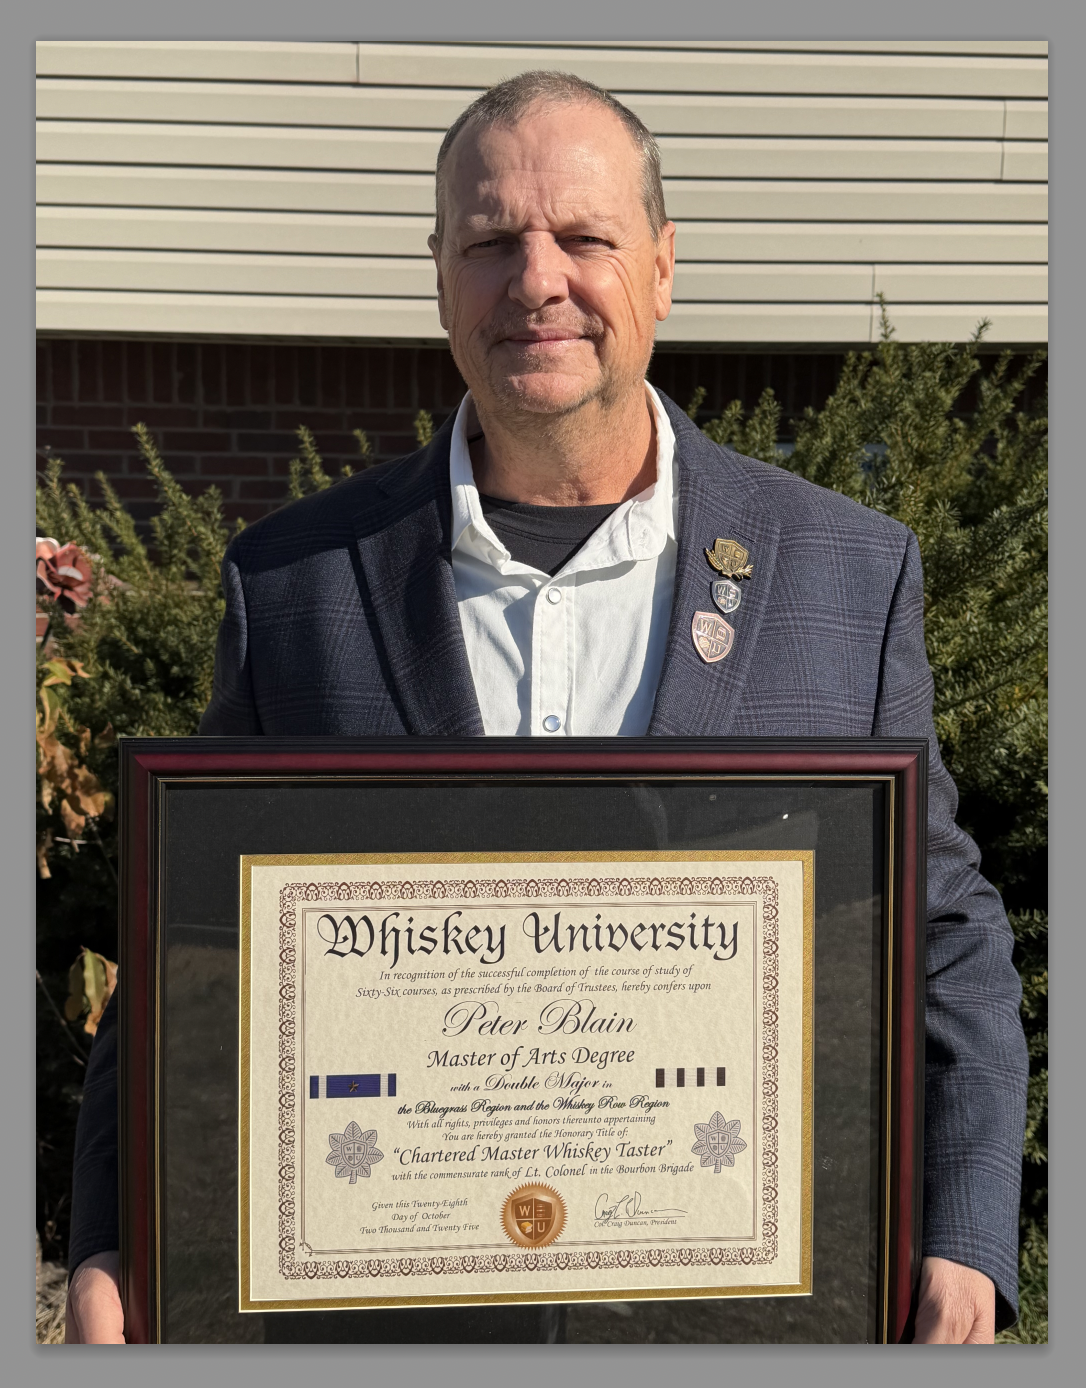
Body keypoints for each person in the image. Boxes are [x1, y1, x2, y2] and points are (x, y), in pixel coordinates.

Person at [66, 70, 1028, 1345]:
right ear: (439, 273)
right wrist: (114, 1239)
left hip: (744, 1311)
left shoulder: (845, 573)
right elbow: (193, 930)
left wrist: (964, 1231)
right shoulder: (293, 583)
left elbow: (941, 925)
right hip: (397, 1321)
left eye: (583, 237)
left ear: (664, 266)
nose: (537, 279)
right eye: (489, 241)